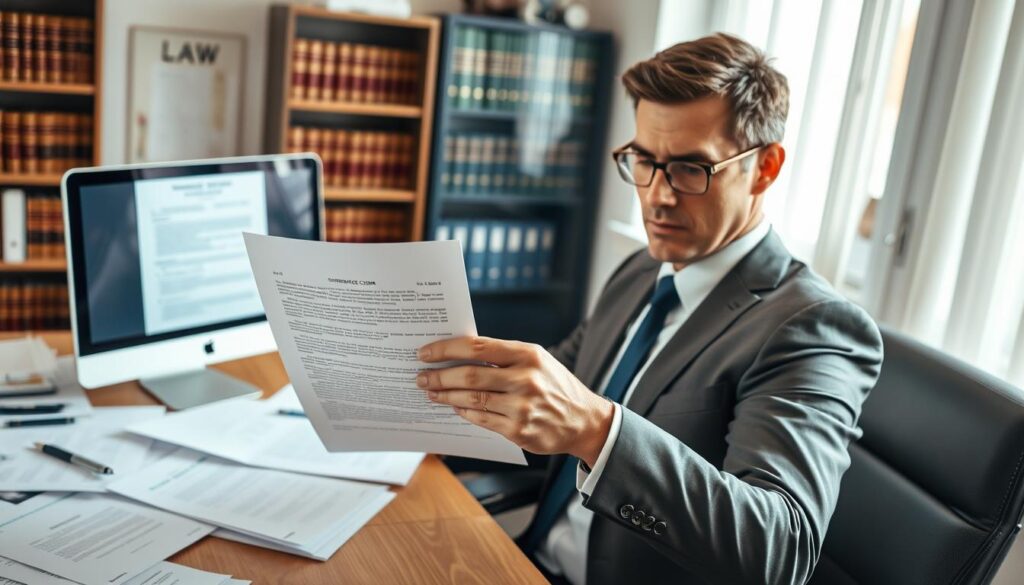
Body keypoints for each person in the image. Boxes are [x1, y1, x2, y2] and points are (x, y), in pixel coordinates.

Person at [415, 32, 883, 585]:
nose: (656, 196)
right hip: (525, 563)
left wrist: (596, 429)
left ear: (765, 168)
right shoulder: (642, 269)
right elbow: (542, 392)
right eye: (643, 160)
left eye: (690, 169)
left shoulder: (813, 327)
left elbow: (777, 549)